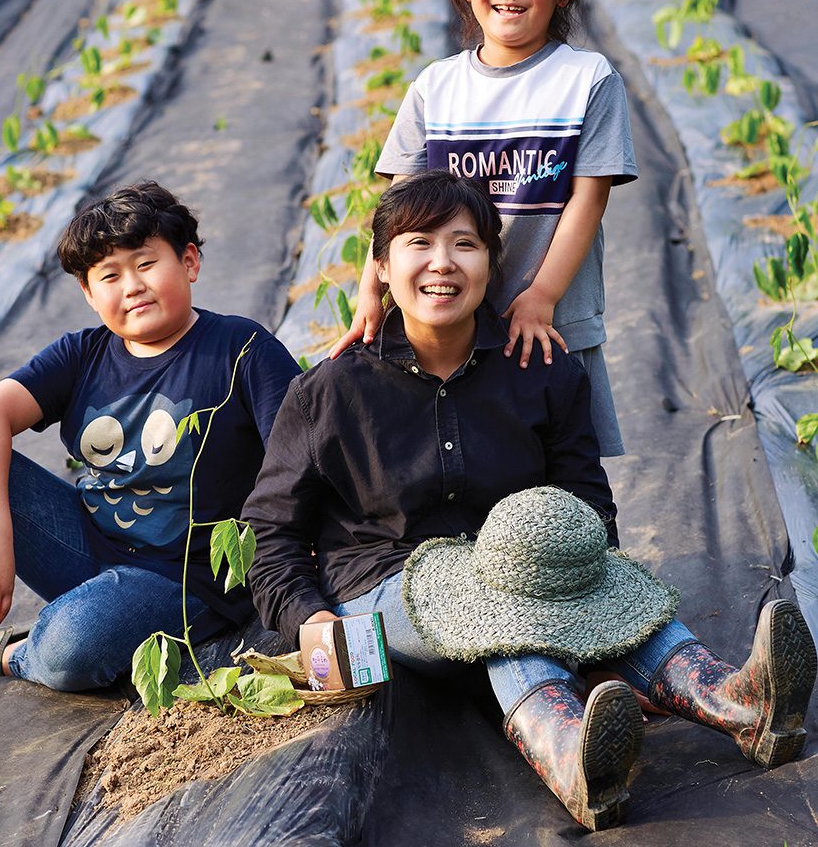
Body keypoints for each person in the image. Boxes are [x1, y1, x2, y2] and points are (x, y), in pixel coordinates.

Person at [245, 171, 816, 831]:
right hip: (385, 587)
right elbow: (270, 534)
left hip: (530, 576)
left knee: (558, 580)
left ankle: (740, 703)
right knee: (498, 608)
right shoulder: (330, 392)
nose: (442, 263)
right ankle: (575, 755)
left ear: (491, 261)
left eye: (464, 244)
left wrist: (600, 600)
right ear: (381, 264)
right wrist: (309, 623)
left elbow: (586, 503)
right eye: (418, 243)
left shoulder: (541, 369)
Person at [0, 180, 302, 737]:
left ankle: (17, 655)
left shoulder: (241, 349)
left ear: (190, 262)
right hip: (85, 542)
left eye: (147, 263)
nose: (133, 286)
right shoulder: (83, 354)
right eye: (110, 275)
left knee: (69, 648)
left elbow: (297, 463)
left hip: (185, 577)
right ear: (88, 292)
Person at [332, 0, 636, 457]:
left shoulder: (586, 79)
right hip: (448, 314)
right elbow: (399, 207)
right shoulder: (436, 85)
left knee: (557, 472)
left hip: (547, 319)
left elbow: (587, 203)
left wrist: (540, 296)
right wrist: (371, 287)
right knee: (454, 459)